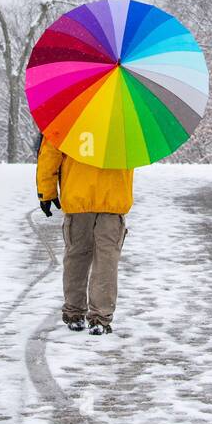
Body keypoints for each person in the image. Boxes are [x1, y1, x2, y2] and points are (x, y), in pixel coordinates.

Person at [35, 132, 131, 335]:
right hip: (113, 199)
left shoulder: (69, 117)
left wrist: (47, 192)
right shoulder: (128, 121)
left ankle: (74, 312)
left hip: (78, 197)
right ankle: (99, 318)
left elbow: (50, 154)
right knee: (106, 260)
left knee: (76, 257)